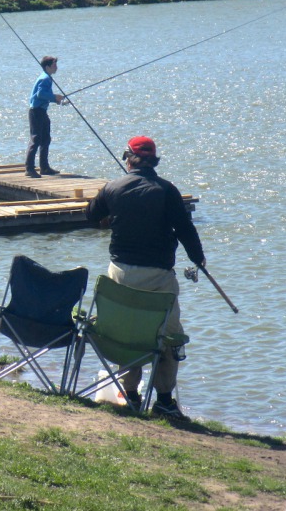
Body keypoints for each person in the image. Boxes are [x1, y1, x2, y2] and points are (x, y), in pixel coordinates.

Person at [85, 136, 205, 420]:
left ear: (128, 159)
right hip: (159, 279)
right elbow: (186, 230)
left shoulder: (113, 187)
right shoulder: (167, 190)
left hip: (120, 276)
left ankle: (131, 394)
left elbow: (90, 216)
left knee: (128, 334)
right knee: (170, 338)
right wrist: (198, 259)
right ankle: (164, 400)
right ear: (154, 161)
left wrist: (112, 212)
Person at [25, 55, 64, 178]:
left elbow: (44, 95)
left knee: (46, 138)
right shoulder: (45, 79)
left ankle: (44, 167)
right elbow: (40, 94)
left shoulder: (47, 77)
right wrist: (54, 97)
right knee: (36, 139)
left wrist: (55, 100)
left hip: (41, 111)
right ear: (47, 67)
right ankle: (29, 168)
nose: (56, 67)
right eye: (54, 65)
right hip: (36, 111)